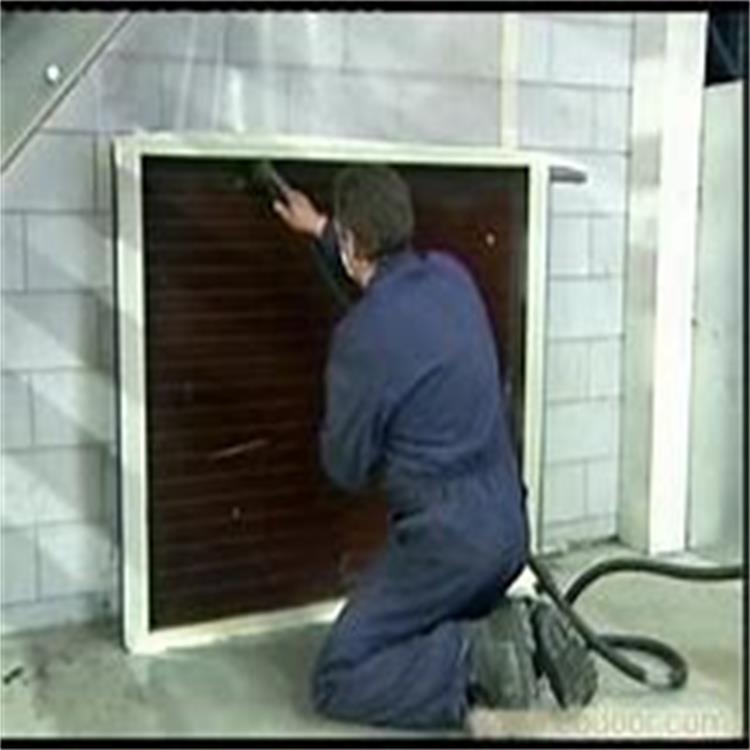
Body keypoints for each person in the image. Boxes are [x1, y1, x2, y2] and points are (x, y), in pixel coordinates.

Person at [272, 164, 596, 730]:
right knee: (418, 623)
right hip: (508, 535)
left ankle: (477, 660)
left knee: (340, 675)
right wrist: (320, 227)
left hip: (447, 547)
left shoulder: (359, 339)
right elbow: (386, 289)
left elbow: (345, 468)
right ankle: (515, 626)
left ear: (352, 244)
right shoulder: (452, 276)